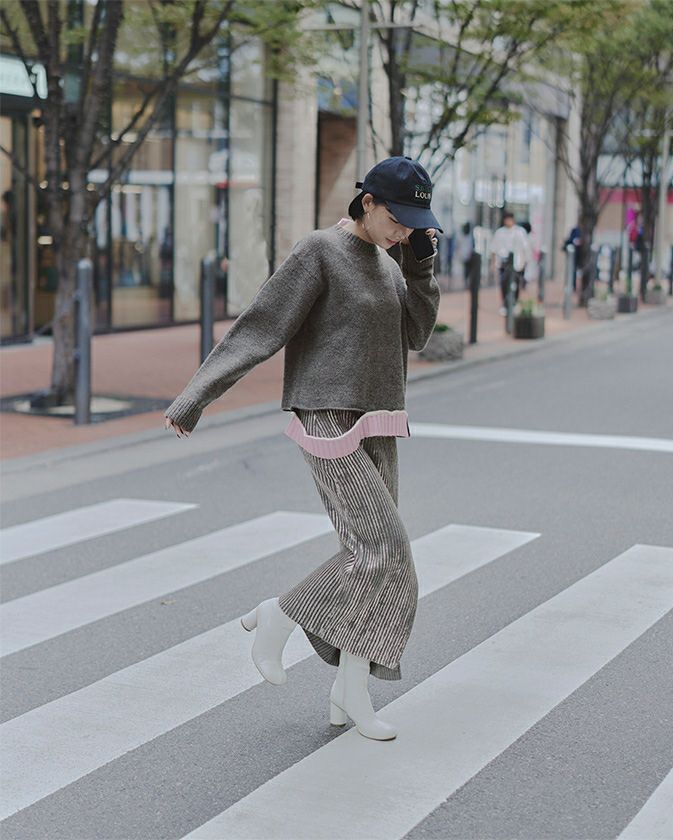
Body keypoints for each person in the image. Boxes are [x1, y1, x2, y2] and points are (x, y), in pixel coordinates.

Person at [163, 156, 441, 741]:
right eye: (397, 218)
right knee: (384, 549)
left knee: (375, 563)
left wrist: (420, 269)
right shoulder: (320, 251)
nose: (404, 231)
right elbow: (262, 325)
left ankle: (349, 691)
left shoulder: (390, 265)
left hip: (380, 417)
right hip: (327, 415)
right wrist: (196, 395)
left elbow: (416, 335)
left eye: (414, 224)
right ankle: (281, 616)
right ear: (367, 202)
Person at [490, 211, 529, 314]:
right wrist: (493, 263)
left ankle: (514, 303)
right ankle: (505, 304)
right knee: (503, 283)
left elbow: (525, 249)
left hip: (517, 263)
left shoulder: (520, 232)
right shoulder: (500, 232)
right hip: (503, 263)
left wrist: (523, 263)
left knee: (515, 283)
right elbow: (493, 249)